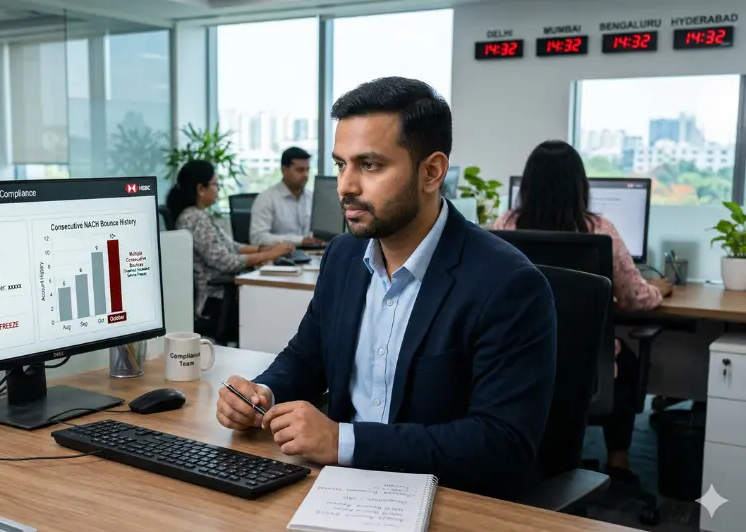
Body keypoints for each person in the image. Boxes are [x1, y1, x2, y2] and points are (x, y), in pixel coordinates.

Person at [215, 77, 557, 500]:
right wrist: (261, 393)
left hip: (447, 500)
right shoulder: (343, 256)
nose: (346, 186)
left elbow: (502, 444)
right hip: (335, 489)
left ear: (431, 171)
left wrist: (342, 441)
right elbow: (307, 357)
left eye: (370, 165)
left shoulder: (507, 284)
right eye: (341, 165)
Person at [491, 139, 672, 481]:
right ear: (580, 186)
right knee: (626, 362)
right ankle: (618, 462)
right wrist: (658, 289)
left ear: (527, 185)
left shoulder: (504, 225)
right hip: (584, 363)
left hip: (519, 357)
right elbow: (635, 298)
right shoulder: (599, 229)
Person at [167, 159, 295, 327]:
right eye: (215, 184)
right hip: (215, 300)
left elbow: (232, 247)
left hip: (222, 296)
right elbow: (226, 262)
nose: (219, 188)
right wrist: (269, 255)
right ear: (200, 189)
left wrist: (265, 249)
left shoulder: (199, 215)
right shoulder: (195, 219)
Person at [249, 147, 325, 247]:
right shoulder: (266, 199)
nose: (305, 175)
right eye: (300, 170)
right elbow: (258, 238)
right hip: (279, 254)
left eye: (307, 170)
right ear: (284, 170)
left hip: (312, 252)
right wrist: (299, 241)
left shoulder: (312, 198)